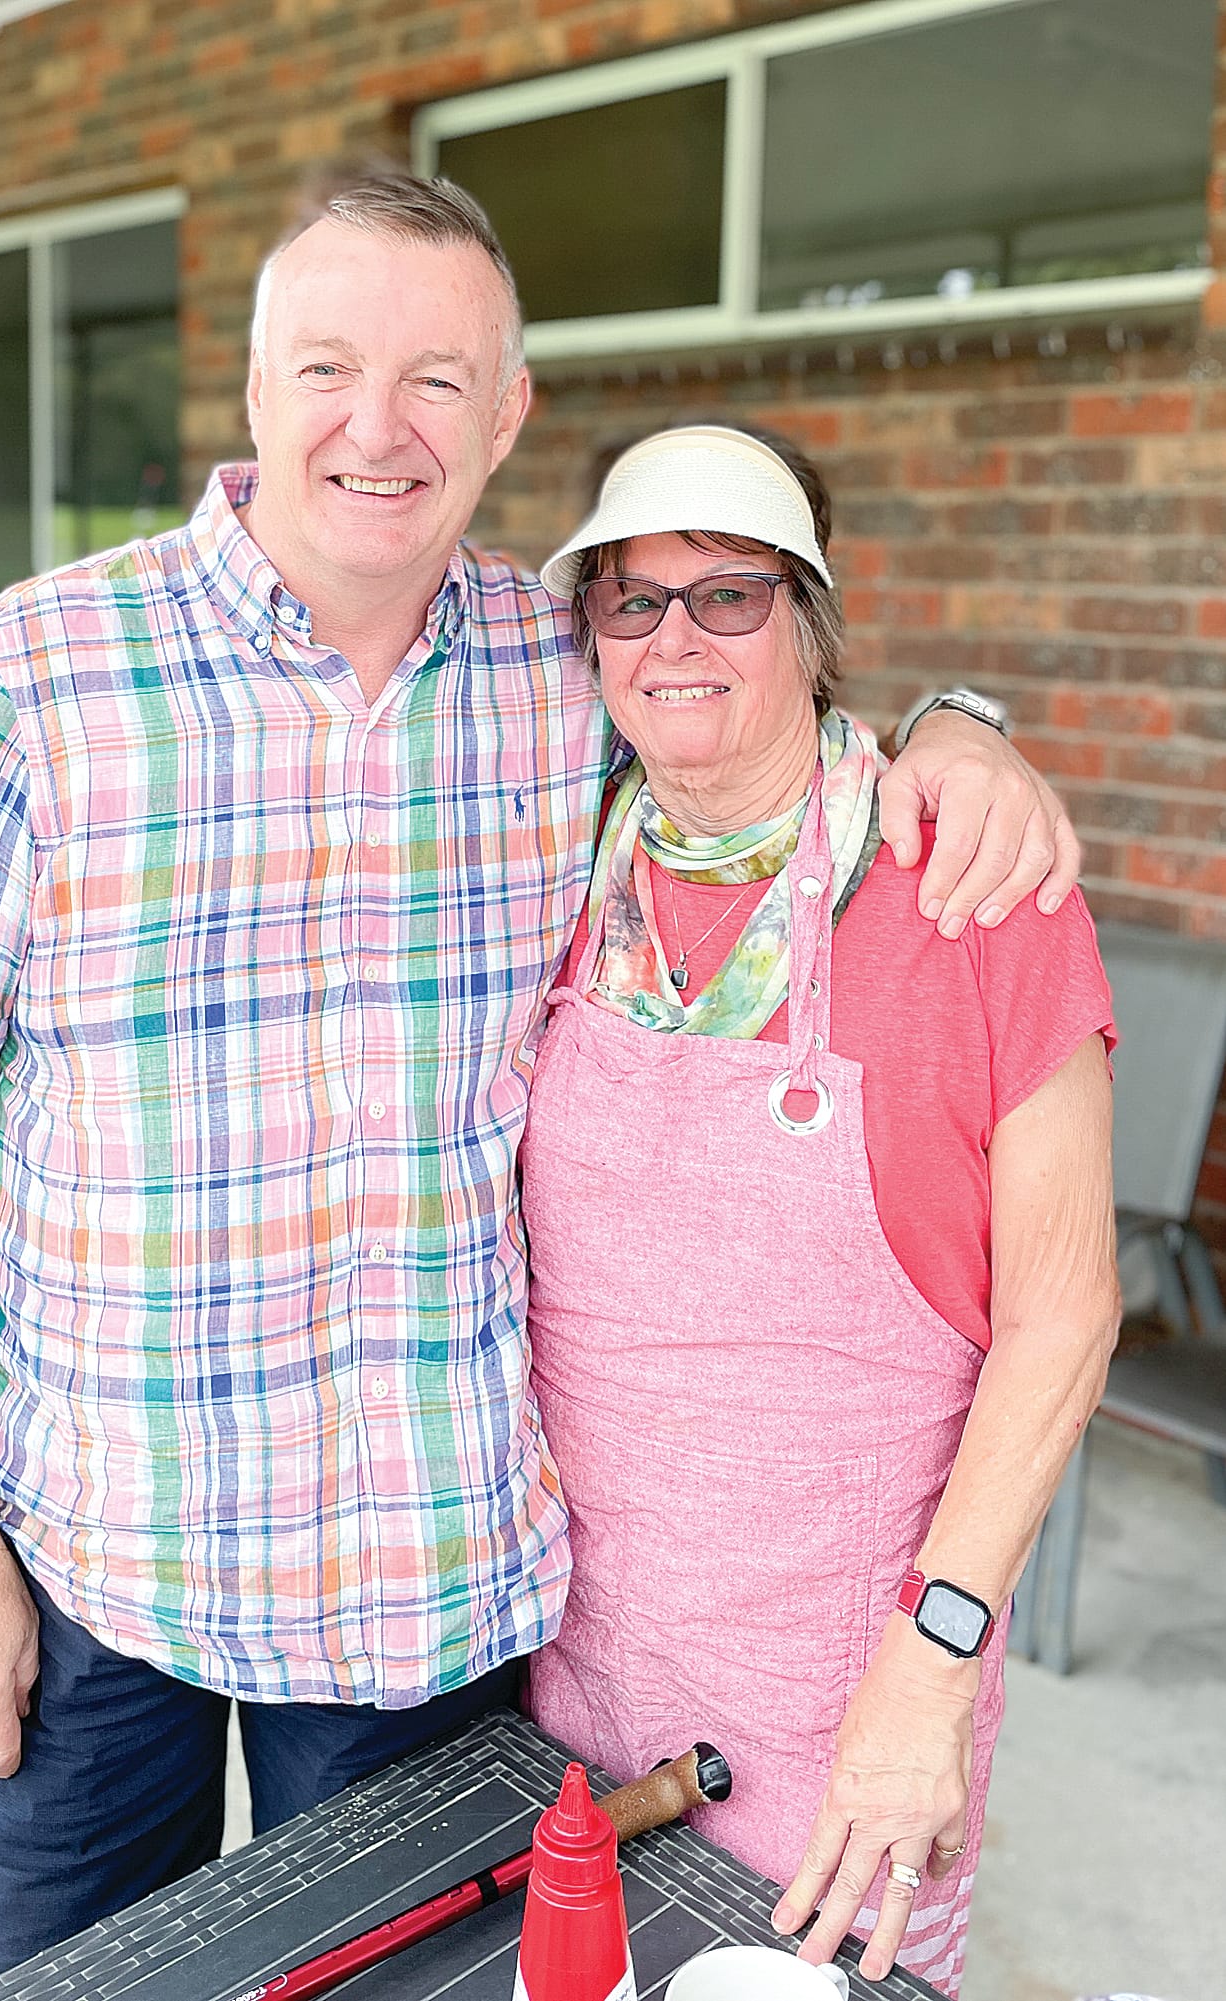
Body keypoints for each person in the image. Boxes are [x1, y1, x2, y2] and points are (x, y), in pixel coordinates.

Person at [0, 171, 1082, 1989]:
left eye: (436, 377)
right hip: (102, 1553)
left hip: (425, 1580)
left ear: (507, 417)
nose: (376, 426)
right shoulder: (28, 679)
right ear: (253, 392)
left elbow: (763, 700)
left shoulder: (562, 674)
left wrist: (966, 726)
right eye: (328, 366)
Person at [520, 423, 1120, 1997]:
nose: (675, 640)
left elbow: (1064, 1313)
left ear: (812, 619)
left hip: (849, 1685)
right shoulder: (551, 864)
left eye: (730, 596)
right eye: (633, 601)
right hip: (570, 1661)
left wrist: (936, 1665)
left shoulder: (978, 891)